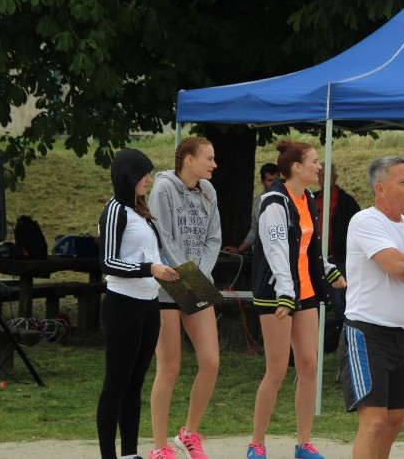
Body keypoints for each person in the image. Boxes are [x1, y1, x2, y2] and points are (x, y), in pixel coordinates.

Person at [340, 156, 404, 459]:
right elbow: (398, 268)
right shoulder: (365, 221)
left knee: (394, 420)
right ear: (380, 188)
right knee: (374, 421)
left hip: (402, 333)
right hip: (366, 333)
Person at [247, 141, 346, 459]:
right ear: (296, 167)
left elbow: (307, 247)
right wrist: (285, 294)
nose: (320, 167)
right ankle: (256, 443)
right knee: (276, 369)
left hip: (304, 292)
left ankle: (303, 444)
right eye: (315, 161)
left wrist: (328, 270)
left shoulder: (307, 198)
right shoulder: (274, 202)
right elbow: (276, 251)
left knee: (309, 365)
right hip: (277, 294)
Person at [97, 148, 178, 459]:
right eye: (143, 174)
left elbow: (150, 256)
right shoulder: (115, 210)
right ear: (127, 176)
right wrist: (150, 269)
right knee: (116, 384)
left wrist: (166, 271)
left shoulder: (140, 210)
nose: (149, 179)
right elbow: (107, 262)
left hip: (148, 305)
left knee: (135, 384)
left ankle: (130, 453)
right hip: (123, 306)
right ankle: (109, 455)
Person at [148, 137, 222, 459]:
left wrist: (198, 276)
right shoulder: (163, 188)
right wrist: (185, 275)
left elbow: (214, 238)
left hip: (197, 282)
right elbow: (161, 238)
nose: (214, 164)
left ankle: (188, 434)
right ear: (189, 160)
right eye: (209, 158)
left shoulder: (209, 191)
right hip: (168, 283)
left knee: (211, 361)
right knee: (169, 367)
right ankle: (159, 447)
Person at [313, 163, 360, 324]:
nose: (324, 179)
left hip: (338, 259)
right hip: (315, 259)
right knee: (314, 301)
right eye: (321, 176)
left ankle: (343, 333)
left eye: (328, 175)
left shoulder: (346, 202)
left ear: (336, 177)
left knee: (340, 301)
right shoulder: (312, 199)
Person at [223, 163, 279, 254]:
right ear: (262, 181)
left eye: (276, 180)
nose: (274, 184)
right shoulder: (257, 203)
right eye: (270, 180)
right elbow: (254, 230)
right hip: (265, 254)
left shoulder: (289, 199)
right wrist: (239, 249)